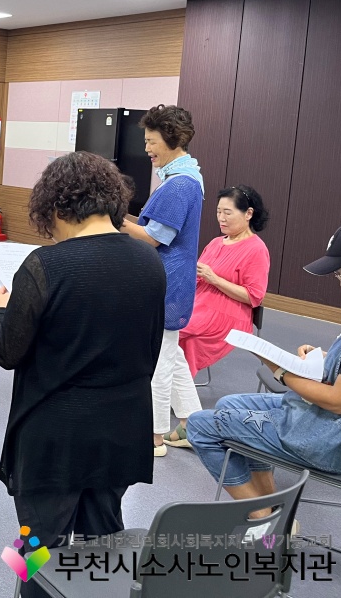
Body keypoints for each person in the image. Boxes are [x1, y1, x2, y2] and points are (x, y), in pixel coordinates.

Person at [0, 152, 165, 598]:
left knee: (35, 547)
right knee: (105, 541)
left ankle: (25, 589)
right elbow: (150, 350)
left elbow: (8, 351)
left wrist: (1, 311)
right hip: (122, 431)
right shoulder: (150, 264)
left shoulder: (45, 266)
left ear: (57, 207)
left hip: (54, 438)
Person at [187, 216, 341, 518]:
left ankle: (265, 519)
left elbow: (340, 401)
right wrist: (324, 355)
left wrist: (281, 371)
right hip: (331, 428)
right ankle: (274, 506)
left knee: (200, 426)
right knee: (230, 403)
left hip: (331, 440)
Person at [121, 104, 203, 457]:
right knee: (173, 354)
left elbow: (154, 237)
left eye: (151, 141)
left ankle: (154, 437)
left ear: (171, 139)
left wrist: (115, 221)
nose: (148, 149)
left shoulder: (179, 186)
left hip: (167, 283)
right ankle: (192, 423)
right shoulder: (186, 177)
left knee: (157, 360)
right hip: (175, 280)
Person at [164, 185, 271, 448]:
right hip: (201, 304)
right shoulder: (215, 242)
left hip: (229, 315)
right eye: (217, 212)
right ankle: (181, 410)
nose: (221, 218)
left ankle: (170, 401)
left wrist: (213, 277)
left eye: (227, 213)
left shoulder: (257, 249)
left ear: (248, 214)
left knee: (174, 332)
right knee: (166, 325)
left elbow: (253, 297)